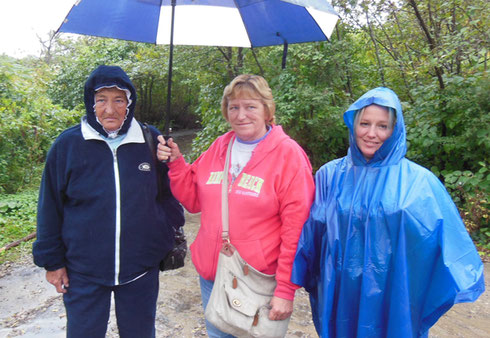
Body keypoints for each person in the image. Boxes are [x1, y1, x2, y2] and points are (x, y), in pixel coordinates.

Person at [292, 87, 485, 337]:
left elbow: (444, 238)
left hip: (394, 295)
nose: (371, 134)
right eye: (365, 123)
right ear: (353, 125)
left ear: (395, 130)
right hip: (340, 293)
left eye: (382, 126)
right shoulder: (330, 176)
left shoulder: (418, 182)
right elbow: (310, 236)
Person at [157, 74, 315, 337]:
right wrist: (176, 163)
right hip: (214, 276)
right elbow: (194, 200)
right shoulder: (221, 146)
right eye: (234, 107)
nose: (241, 115)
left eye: (250, 106)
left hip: (256, 281)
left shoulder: (289, 155)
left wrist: (286, 290)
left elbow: (296, 231)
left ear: (267, 110)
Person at [32, 65, 185, 338]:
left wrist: (162, 234)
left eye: (119, 100)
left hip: (140, 270)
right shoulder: (68, 145)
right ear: (91, 103)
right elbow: (49, 209)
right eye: (101, 100)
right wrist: (53, 262)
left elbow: (170, 196)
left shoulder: (150, 140)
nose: (110, 109)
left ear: (130, 102)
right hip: (83, 272)